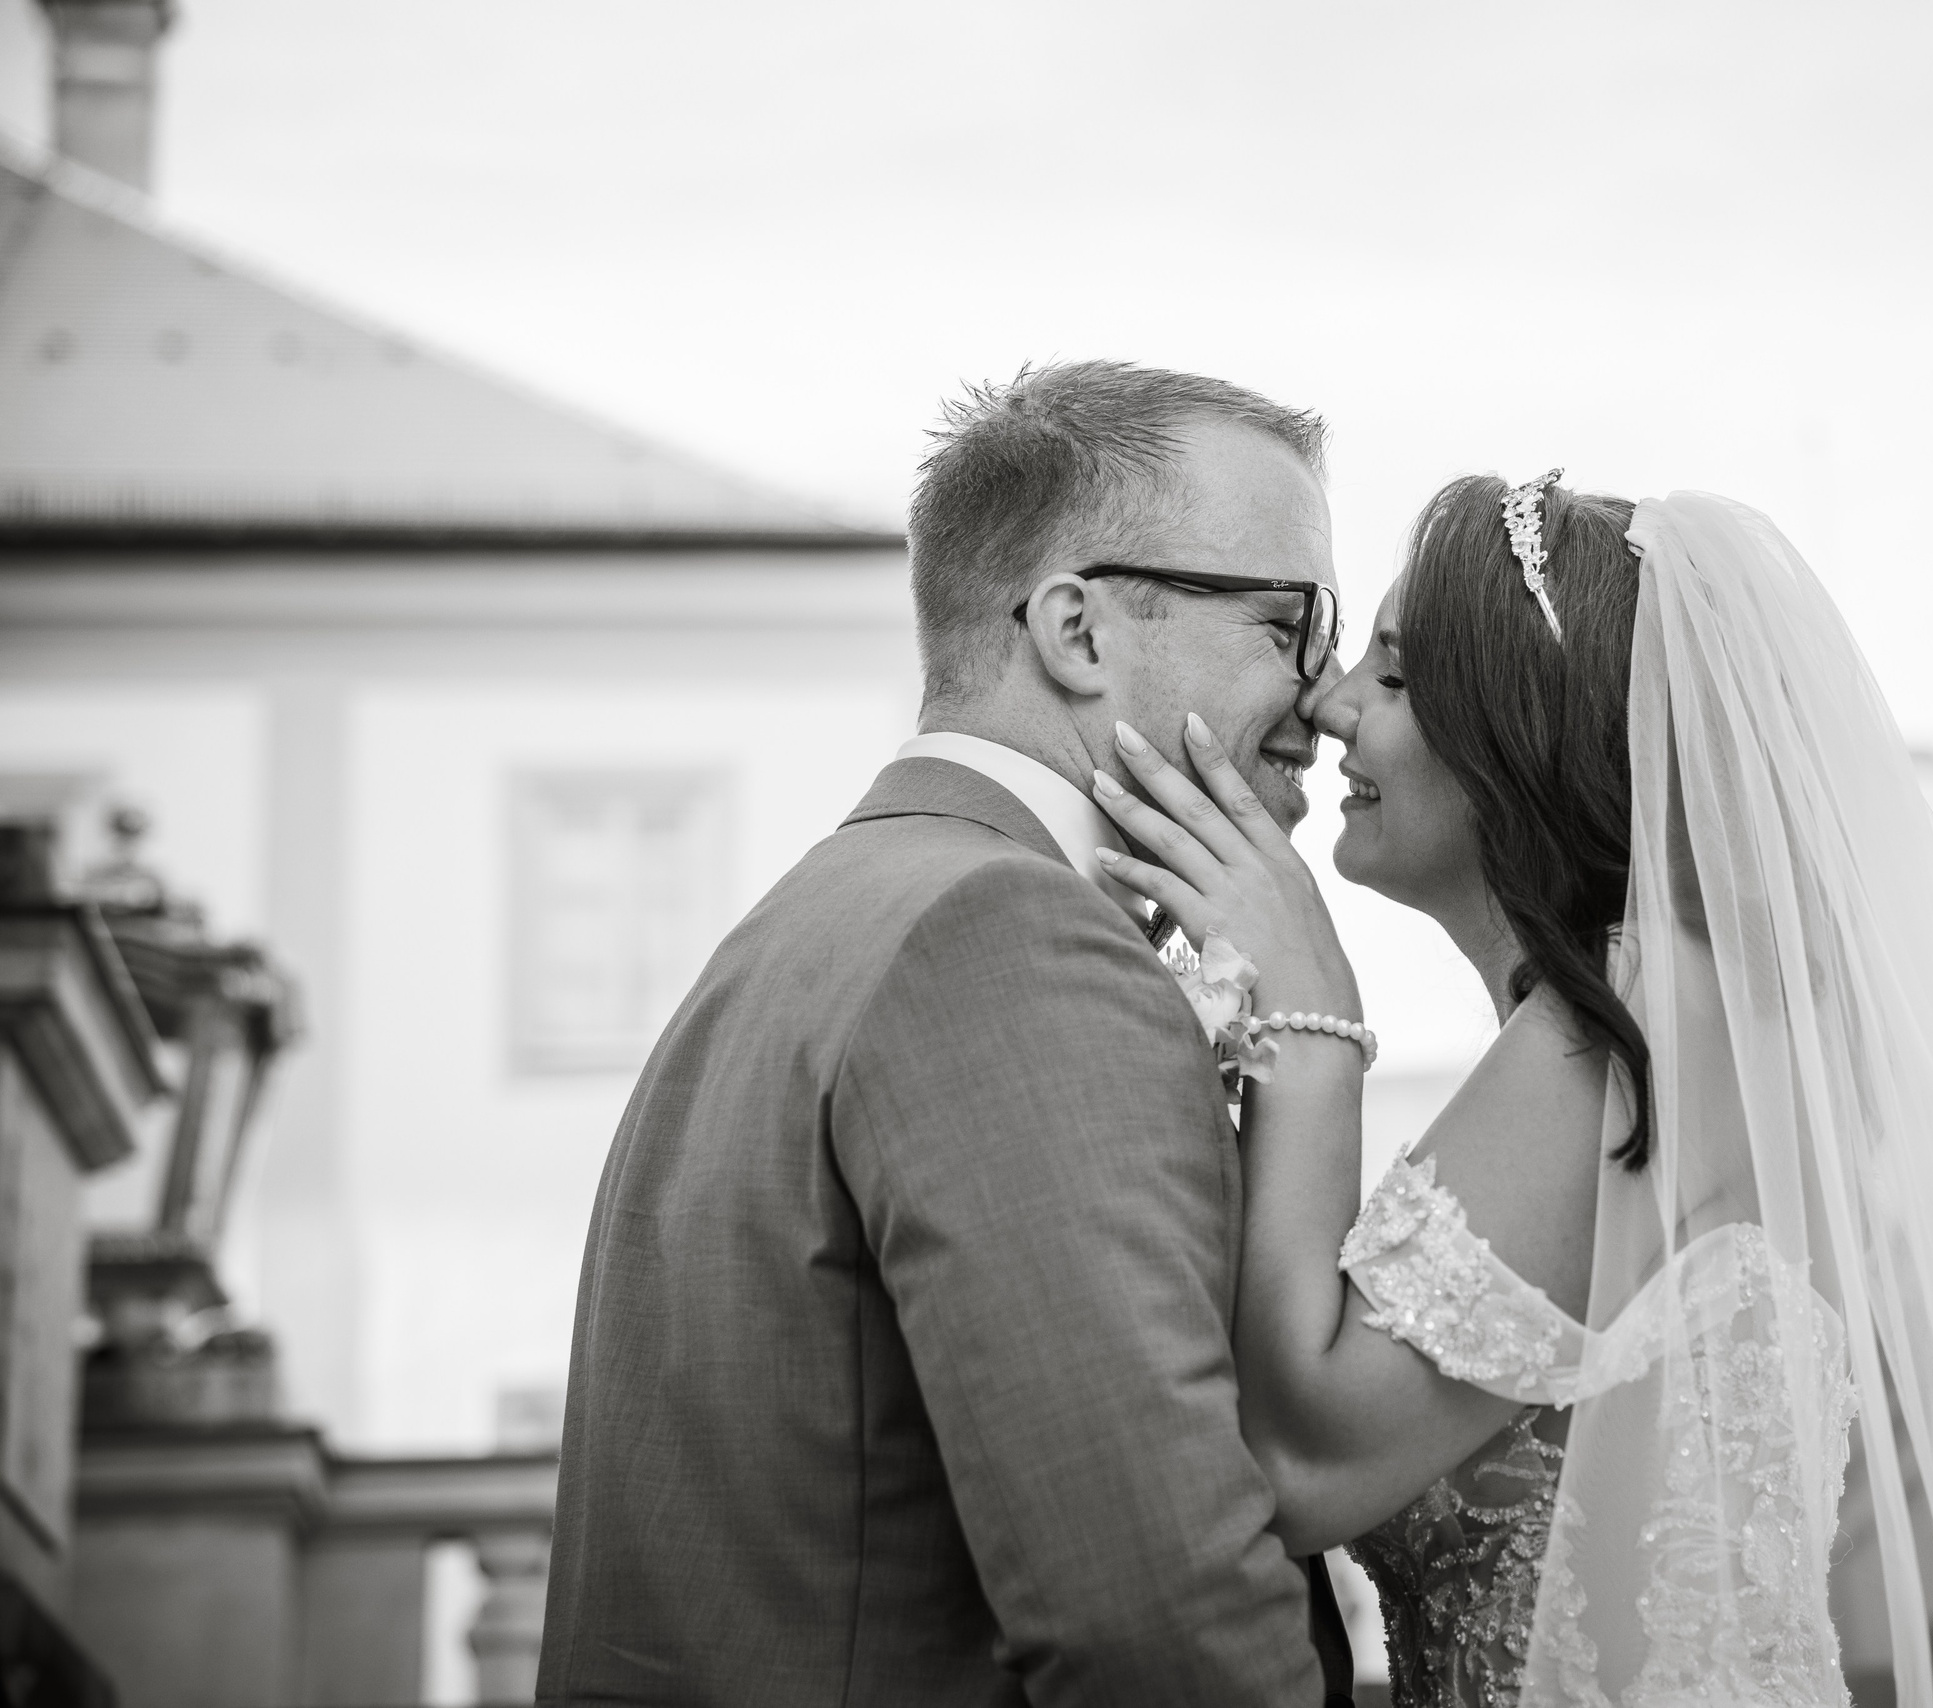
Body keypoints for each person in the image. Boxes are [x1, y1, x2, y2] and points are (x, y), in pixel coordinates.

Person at [1092, 473, 1933, 1708]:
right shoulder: (1649, 1026)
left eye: (1400, 670)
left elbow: (1310, 1462)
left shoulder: (1650, 1023)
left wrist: (1310, 1023)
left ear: (1523, 732)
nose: (1329, 705)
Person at [538, 362, 1359, 1707]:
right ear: (1078, 631)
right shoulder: (1005, 943)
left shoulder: (817, 923)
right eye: (1289, 624)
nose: (1324, 697)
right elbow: (1157, 1621)